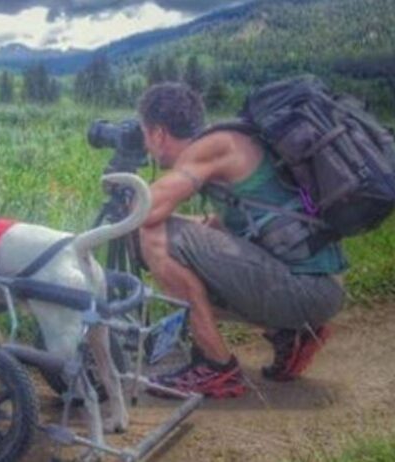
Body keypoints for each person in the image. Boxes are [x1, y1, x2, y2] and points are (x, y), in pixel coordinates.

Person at [137, 82, 347, 399]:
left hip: (306, 289)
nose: (146, 145)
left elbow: (145, 212)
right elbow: (219, 230)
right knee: (179, 243)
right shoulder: (234, 142)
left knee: (153, 234)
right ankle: (289, 334)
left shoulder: (211, 149)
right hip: (319, 286)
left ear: (158, 133)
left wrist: (124, 190)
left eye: (144, 134)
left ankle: (216, 367)